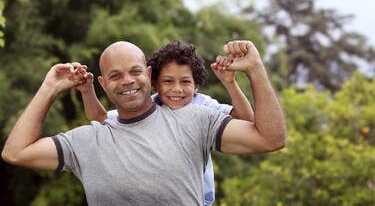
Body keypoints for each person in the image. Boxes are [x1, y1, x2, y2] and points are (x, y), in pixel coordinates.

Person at [2, 40, 286, 205]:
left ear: (149, 75)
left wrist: (255, 70)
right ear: (102, 83)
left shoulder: (195, 119)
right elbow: (15, 152)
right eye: (115, 76)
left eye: (135, 71)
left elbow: (271, 139)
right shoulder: (86, 142)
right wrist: (50, 87)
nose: (127, 81)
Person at [76, 40, 255, 206]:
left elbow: (246, 122)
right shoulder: (147, 109)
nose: (177, 89)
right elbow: (101, 119)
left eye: (185, 82)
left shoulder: (201, 105)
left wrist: (230, 83)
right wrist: (86, 90)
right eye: (168, 81)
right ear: (153, 83)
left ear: (196, 86)